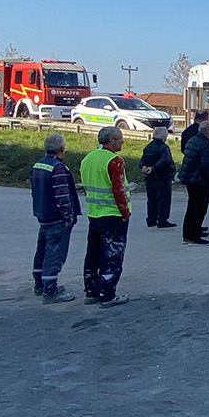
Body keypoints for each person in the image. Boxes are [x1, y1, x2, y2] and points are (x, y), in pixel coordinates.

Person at [80, 127, 131, 307]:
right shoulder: (114, 161)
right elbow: (118, 190)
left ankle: (91, 291)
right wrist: (125, 212)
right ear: (110, 140)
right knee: (112, 255)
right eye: (119, 139)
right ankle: (107, 294)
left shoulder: (88, 158)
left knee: (93, 254)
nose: (122, 142)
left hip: (94, 213)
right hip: (112, 215)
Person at [30, 135, 80, 302]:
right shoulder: (57, 167)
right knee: (55, 253)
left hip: (42, 214)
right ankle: (50, 290)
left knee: (42, 250)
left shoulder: (38, 164)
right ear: (61, 149)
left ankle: (40, 284)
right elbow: (62, 195)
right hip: (56, 217)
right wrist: (68, 216)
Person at [177, 120, 209, 245]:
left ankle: (188, 234)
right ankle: (194, 235)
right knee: (199, 208)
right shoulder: (205, 144)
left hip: (190, 178)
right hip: (200, 180)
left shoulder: (192, 140)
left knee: (192, 206)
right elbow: (206, 165)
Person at [140, 126, 177, 228]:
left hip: (149, 178)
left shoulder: (147, 147)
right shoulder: (163, 147)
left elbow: (142, 160)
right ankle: (162, 220)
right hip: (162, 177)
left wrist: (143, 167)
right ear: (164, 136)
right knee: (163, 199)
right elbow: (165, 160)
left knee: (151, 199)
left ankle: (151, 219)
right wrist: (154, 168)